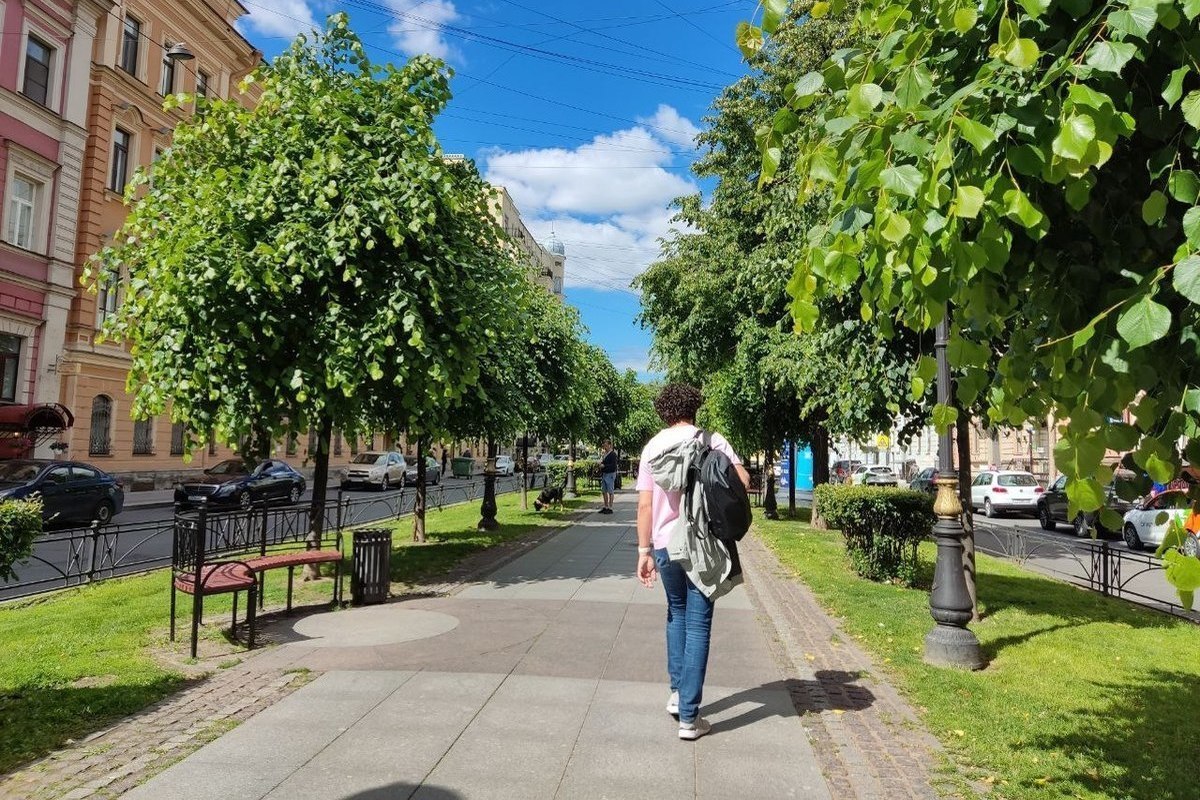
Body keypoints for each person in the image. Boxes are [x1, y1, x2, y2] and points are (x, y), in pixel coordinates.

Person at [635, 383, 749, 741]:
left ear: (664, 411)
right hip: (701, 546)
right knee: (698, 624)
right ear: (694, 408)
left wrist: (644, 552)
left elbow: (644, 505)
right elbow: (742, 481)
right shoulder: (713, 440)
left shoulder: (653, 446)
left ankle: (677, 694)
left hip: (666, 547)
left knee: (676, 614)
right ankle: (689, 717)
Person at [599, 439, 618, 514]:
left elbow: (613, 466)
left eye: (606, 445)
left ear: (609, 445)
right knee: (604, 491)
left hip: (610, 474)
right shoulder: (604, 454)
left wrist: (604, 466)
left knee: (610, 491)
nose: (605, 447)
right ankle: (605, 506)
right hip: (604, 474)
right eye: (604, 445)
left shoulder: (613, 454)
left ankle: (610, 507)